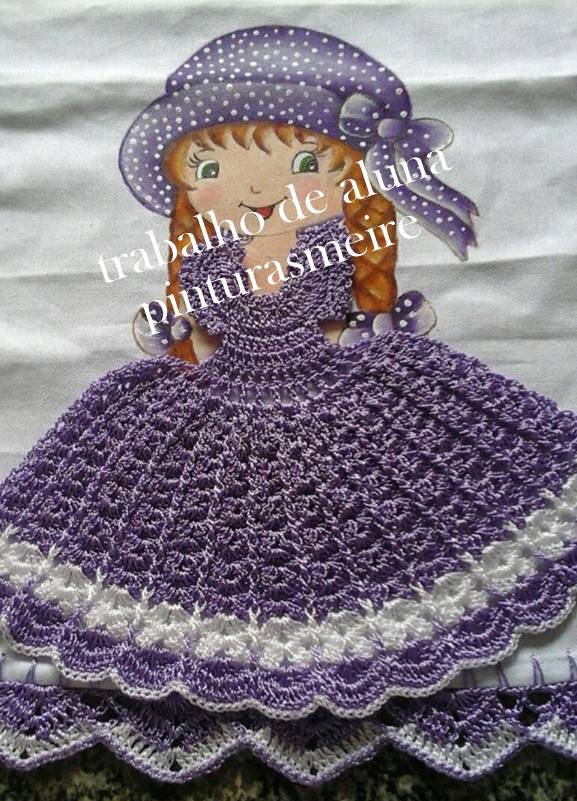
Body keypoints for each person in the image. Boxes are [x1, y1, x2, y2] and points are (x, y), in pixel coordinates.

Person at [0, 24, 576, 785]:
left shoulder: (333, 252)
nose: (254, 188)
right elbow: (197, 322)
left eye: (304, 163)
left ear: (349, 178)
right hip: (218, 402)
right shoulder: (206, 264)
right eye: (211, 168)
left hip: (342, 393)